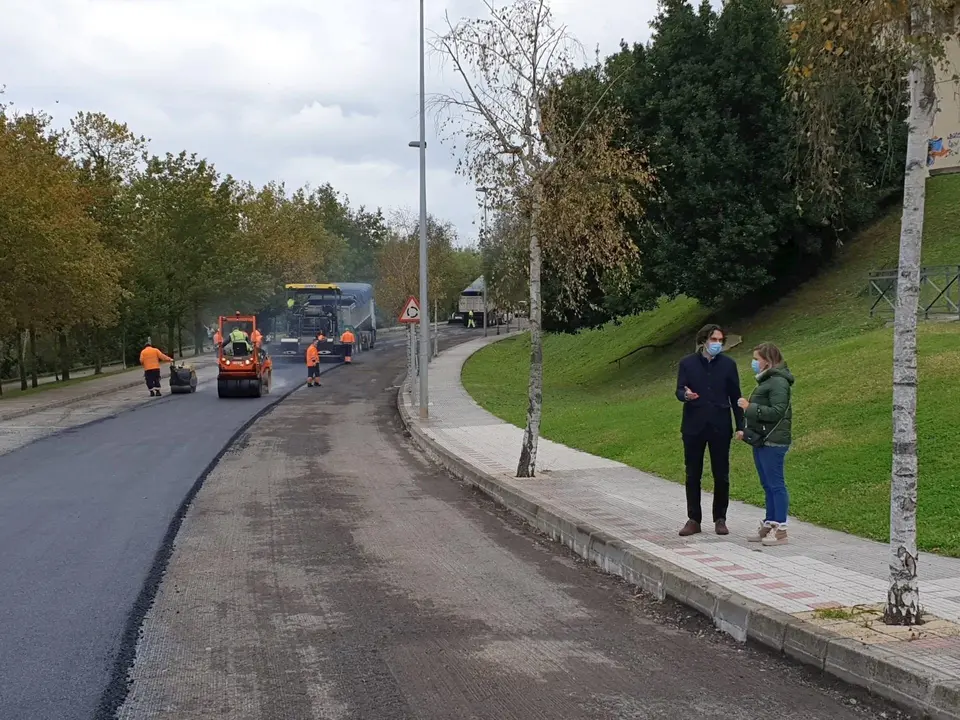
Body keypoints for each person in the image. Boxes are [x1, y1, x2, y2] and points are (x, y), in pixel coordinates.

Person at [675, 323, 744, 537]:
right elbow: (679, 390)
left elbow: (736, 396)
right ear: (703, 340)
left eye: (720, 341)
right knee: (692, 473)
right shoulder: (687, 363)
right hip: (694, 425)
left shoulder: (728, 365)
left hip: (720, 425)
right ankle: (693, 518)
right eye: (713, 340)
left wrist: (741, 426)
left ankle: (720, 518)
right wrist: (685, 395)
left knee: (721, 474)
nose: (717, 344)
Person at [738, 342, 794, 546]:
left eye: (756, 359)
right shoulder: (767, 381)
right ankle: (770, 522)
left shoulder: (778, 382)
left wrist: (749, 407)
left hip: (774, 441)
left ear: (767, 361)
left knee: (776, 484)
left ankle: (781, 529)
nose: (754, 363)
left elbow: (777, 411)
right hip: (762, 439)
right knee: (767, 484)